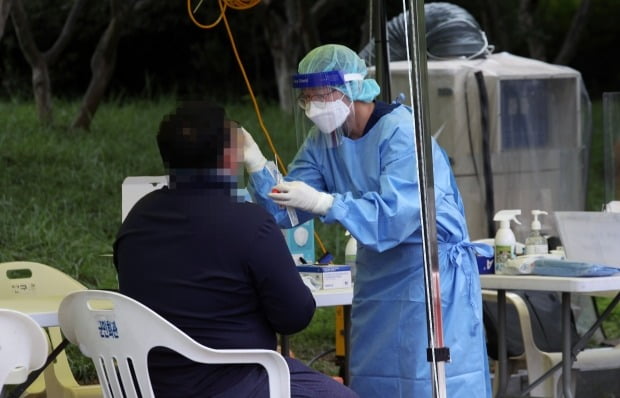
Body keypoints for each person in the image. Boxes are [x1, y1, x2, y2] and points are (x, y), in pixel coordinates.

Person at [243, 44, 492, 397]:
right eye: (307, 97)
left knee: (428, 382)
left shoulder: (402, 133)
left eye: (321, 94)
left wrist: (325, 202)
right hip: (378, 278)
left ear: (351, 88)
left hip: (429, 276)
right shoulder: (324, 141)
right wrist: (256, 164)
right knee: (376, 382)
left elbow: (395, 215)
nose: (313, 105)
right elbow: (285, 210)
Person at [114, 101, 359, 398]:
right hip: (236, 382)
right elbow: (295, 316)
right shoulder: (251, 224)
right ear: (231, 157)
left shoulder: (137, 220)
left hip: (149, 383)